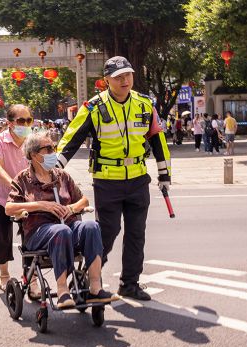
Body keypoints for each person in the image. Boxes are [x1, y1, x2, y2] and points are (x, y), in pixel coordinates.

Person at [57, 56, 171, 301]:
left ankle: (130, 283)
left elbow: (157, 139)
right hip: (107, 180)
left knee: (136, 234)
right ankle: (89, 276)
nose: (125, 80)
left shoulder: (144, 104)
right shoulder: (94, 107)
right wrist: (51, 169)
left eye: (128, 75)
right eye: (118, 77)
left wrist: (164, 173)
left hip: (138, 178)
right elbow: (70, 139)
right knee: (107, 233)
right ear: (106, 80)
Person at [5, 132, 119, 308]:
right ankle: (63, 291)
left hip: (68, 225)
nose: (53, 152)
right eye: (49, 148)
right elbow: (9, 208)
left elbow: (84, 200)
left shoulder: (62, 176)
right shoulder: (22, 179)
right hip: (38, 232)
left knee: (91, 226)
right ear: (34, 155)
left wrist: (71, 208)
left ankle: (96, 287)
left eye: (54, 147)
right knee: (61, 231)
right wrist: (41, 205)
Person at [0, 104, 40, 297]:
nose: (25, 124)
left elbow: (43, 165)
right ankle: (4, 275)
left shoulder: (33, 141)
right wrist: (15, 185)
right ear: (10, 123)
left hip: (28, 197)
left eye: (28, 120)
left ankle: (32, 278)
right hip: (1, 195)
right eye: (21, 121)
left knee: (33, 236)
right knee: (1, 236)